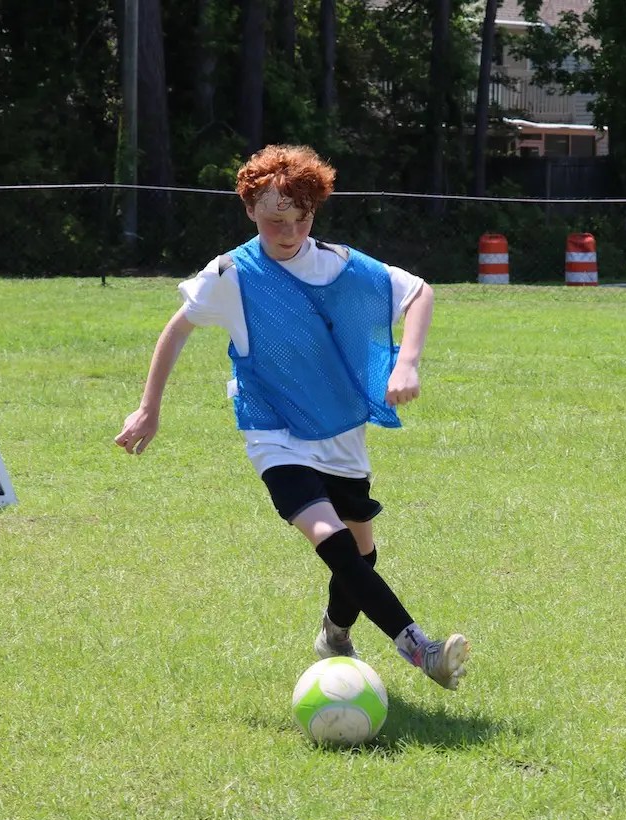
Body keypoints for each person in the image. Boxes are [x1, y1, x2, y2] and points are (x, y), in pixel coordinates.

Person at [115, 144, 469, 690]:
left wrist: (408, 363)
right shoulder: (231, 274)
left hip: (341, 430)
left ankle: (335, 634)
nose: (290, 232)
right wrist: (148, 408)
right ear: (249, 210)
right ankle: (420, 648)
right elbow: (178, 329)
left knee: (362, 554)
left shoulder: (340, 264)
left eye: (302, 218)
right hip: (273, 432)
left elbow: (418, 292)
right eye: (276, 220)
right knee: (331, 536)